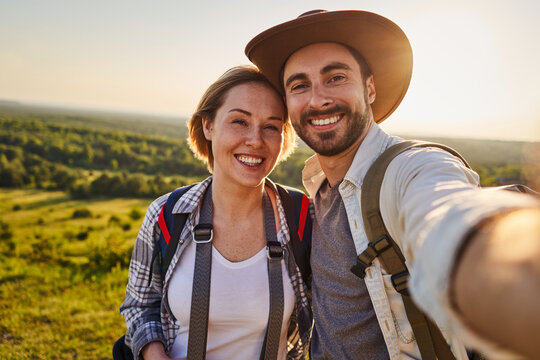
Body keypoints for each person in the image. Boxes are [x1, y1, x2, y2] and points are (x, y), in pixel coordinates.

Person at [245, 9, 540, 360]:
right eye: (299, 85)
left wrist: (502, 260)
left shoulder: (410, 168)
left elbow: (446, 212)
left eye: (336, 77)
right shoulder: (317, 190)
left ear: (370, 87)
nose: (317, 99)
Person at [120, 65, 312, 360]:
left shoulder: (302, 217)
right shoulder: (167, 214)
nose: (255, 140)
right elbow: (140, 305)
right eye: (239, 121)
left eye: (271, 126)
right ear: (208, 125)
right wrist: (153, 354)